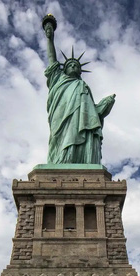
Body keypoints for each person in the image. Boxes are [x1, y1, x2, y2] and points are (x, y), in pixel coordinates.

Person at [42, 15, 115, 165]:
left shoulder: (83, 87)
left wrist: (103, 106)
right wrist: (50, 38)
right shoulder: (58, 78)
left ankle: (81, 162)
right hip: (61, 118)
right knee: (59, 141)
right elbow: (51, 58)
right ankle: (61, 162)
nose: (74, 66)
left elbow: (91, 114)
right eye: (70, 65)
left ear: (81, 72)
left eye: (76, 65)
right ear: (65, 69)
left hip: (80, 121)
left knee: (82, 135)